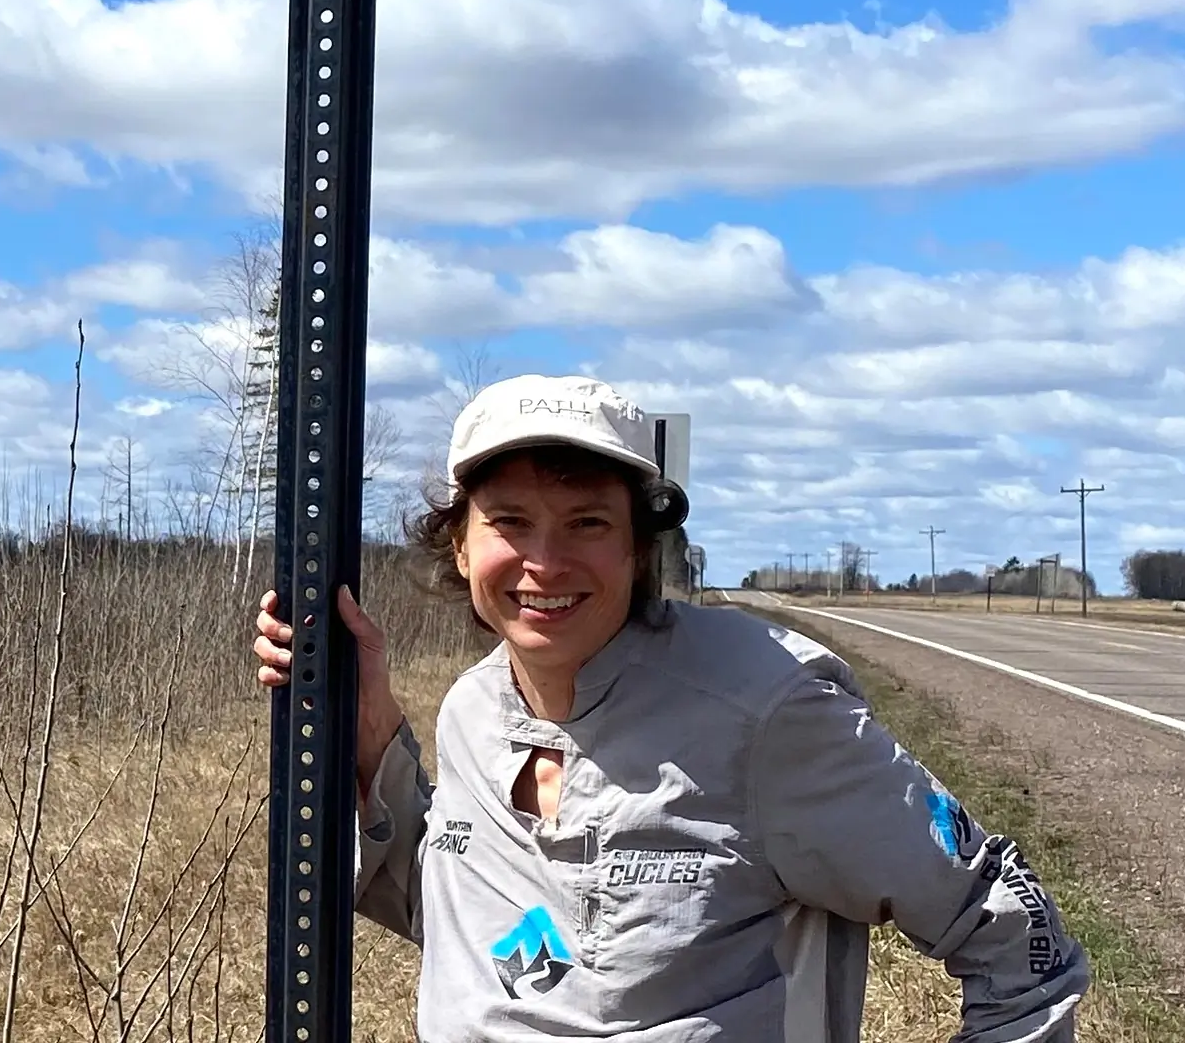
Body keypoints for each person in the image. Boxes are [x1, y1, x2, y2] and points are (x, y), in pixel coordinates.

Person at [251, 374, 1085, 1040]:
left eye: (586, 522)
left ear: (638, 547)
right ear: (461, 544)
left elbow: (1013, 939)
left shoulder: (764, 708)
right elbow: (492, 939)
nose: (544, 562)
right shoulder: (473, 712)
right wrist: (369, 745)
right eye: (509, 521)